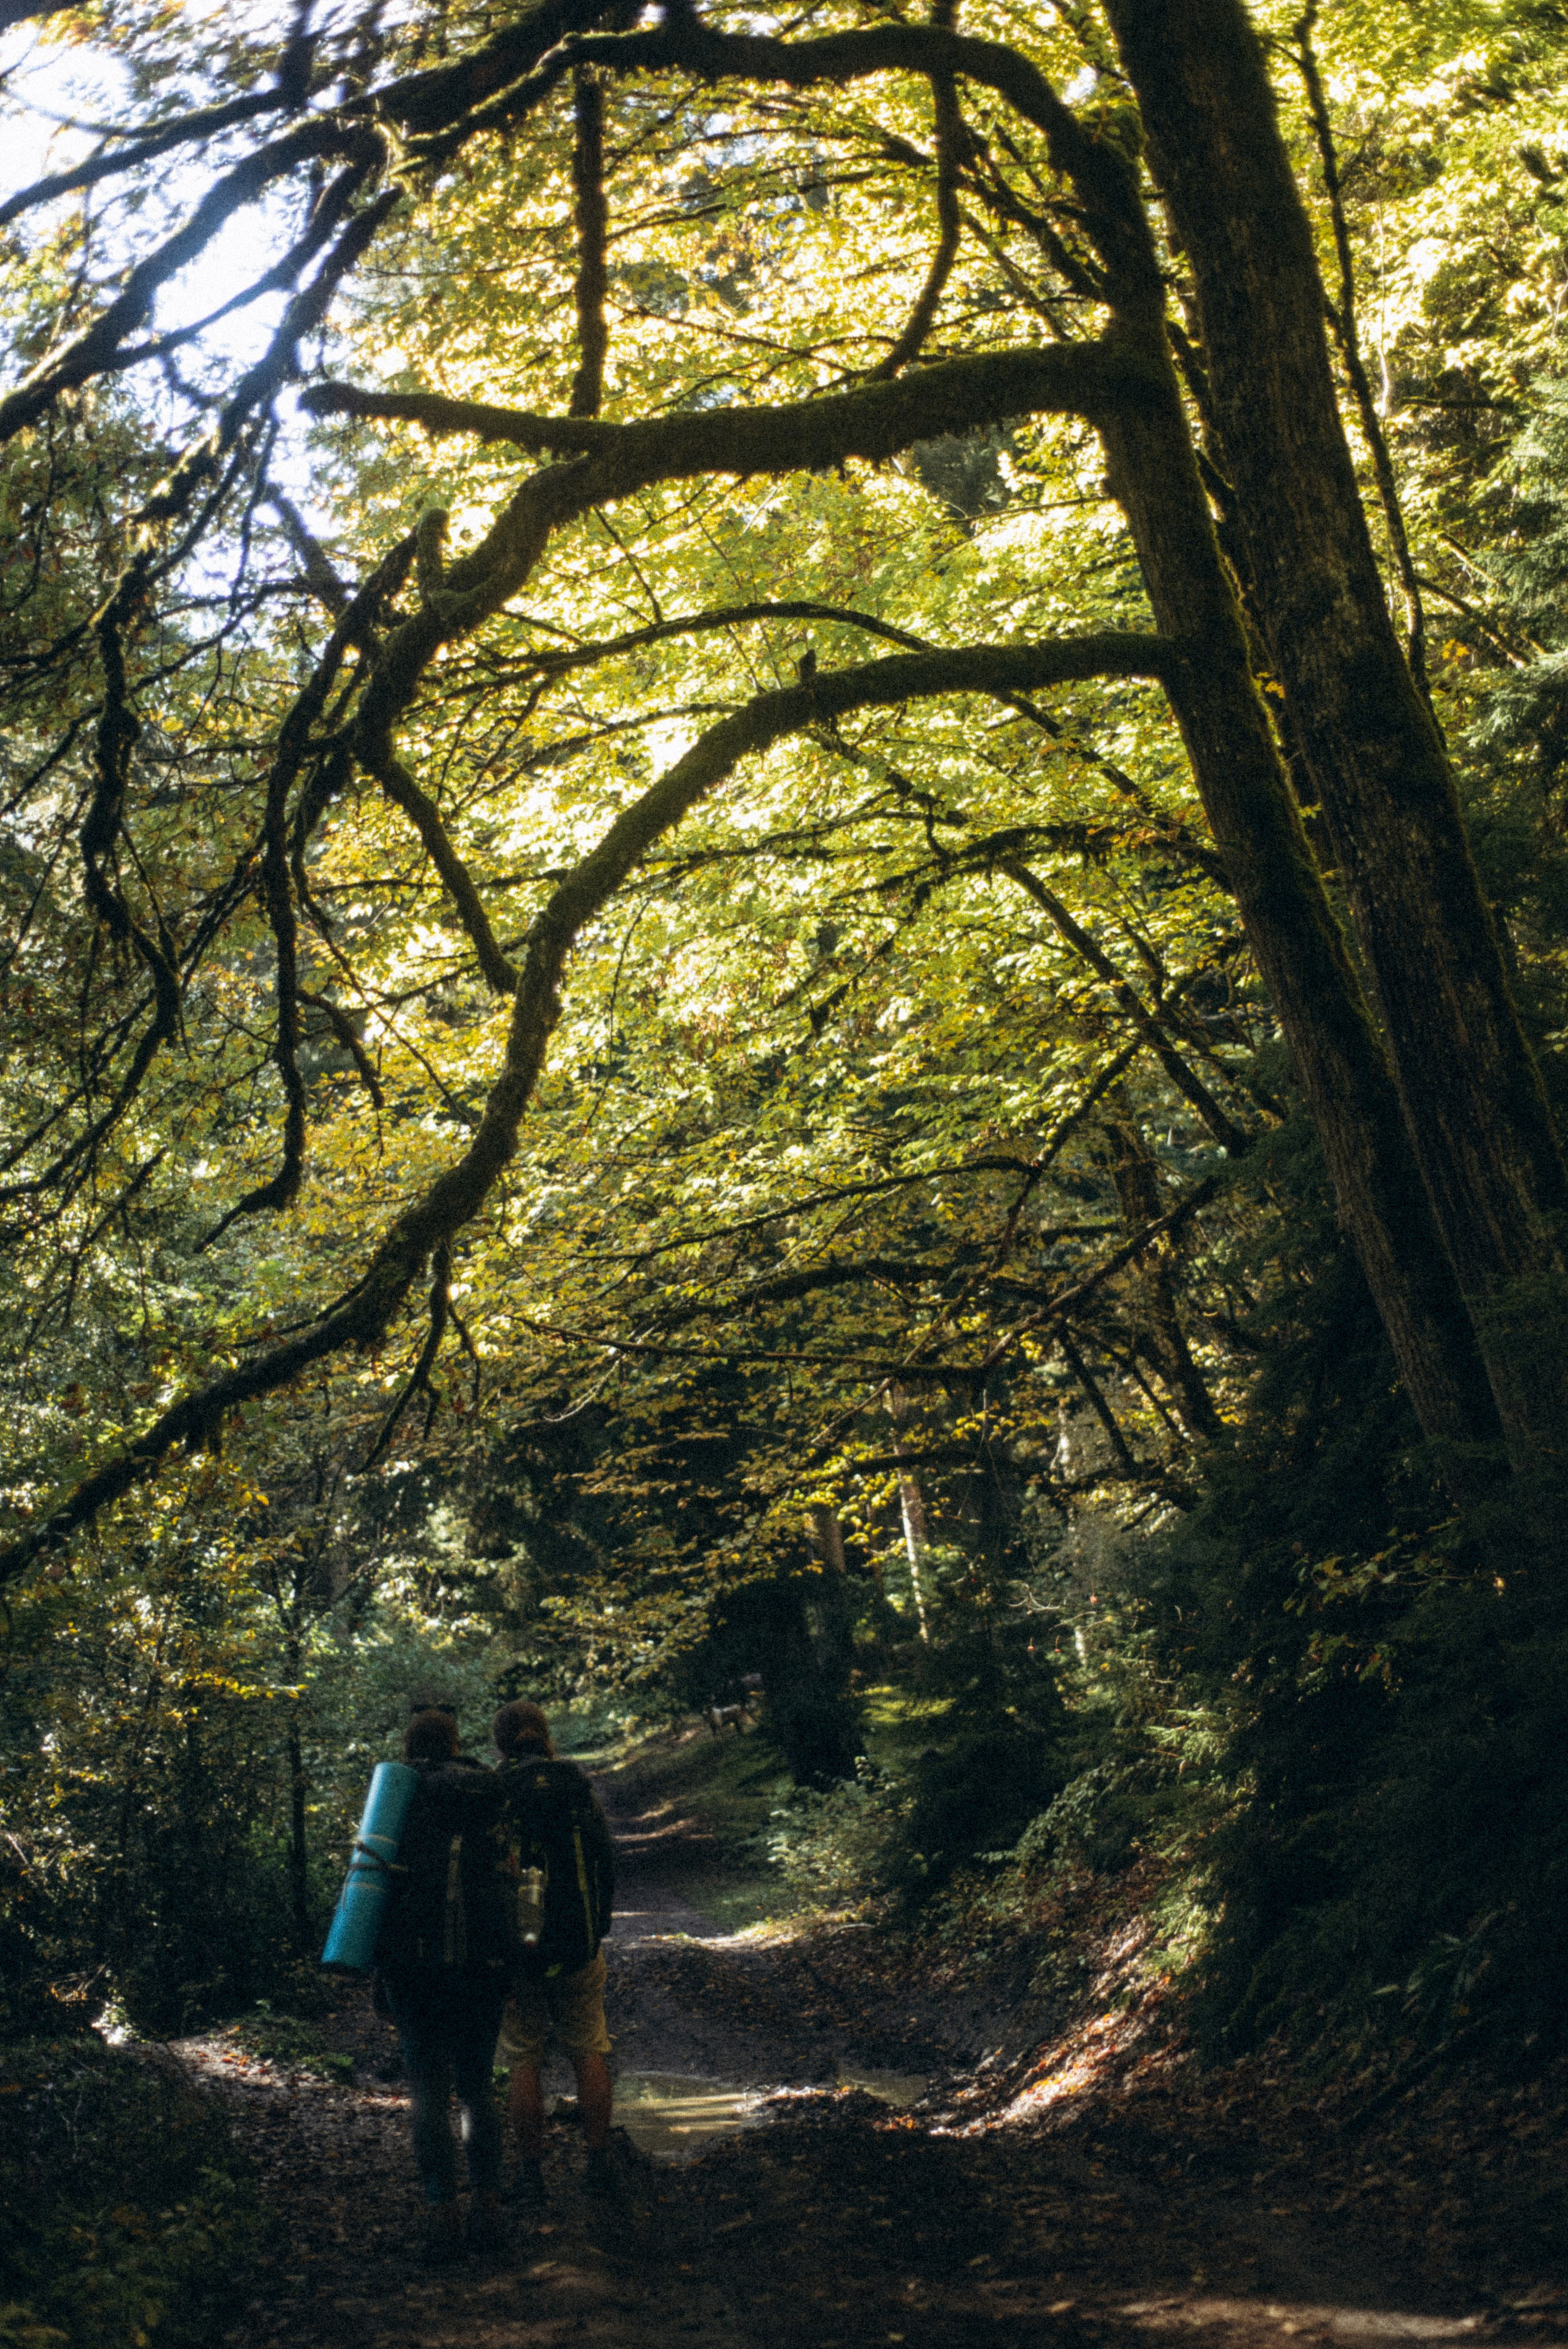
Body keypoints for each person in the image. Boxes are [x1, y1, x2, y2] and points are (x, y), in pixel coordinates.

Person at [374, 1708, 511, 2263]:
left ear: (410, 1747)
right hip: (482, 1961)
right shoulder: (487, 1788)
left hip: (413, 1965)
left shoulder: (394, 1798)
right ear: (455, 1744)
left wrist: (380, 1972)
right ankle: (489, 2204)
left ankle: (442, 2210)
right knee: (477, 2085)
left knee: (428, 2088)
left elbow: (375, 1887)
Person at [491, 1699, 617, 2206]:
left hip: (520, 1957)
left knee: (522, 2057)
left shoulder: (496, 1789)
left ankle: (530, 2172)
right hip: (577, 1944)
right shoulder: (574, 1784)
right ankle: (600, 2160)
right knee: (588, 2046)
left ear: (501, 1741)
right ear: (545, 1733)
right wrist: (596, 1930)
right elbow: (604, 1861)